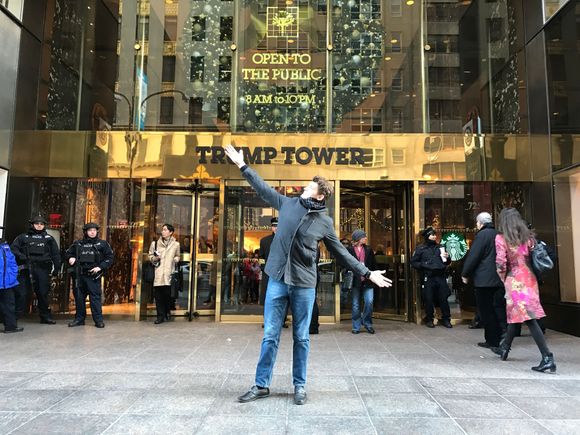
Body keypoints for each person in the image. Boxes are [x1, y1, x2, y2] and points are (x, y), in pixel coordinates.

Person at [225, 144, 391, 406]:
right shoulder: (288, 204)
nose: (303, 188)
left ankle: (299, 386)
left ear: (320, 196)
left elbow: (341, 253)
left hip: (303, 283)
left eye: (309, 187)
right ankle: (261, 384)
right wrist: (243, 166)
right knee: (270, 335)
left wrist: (367, 272)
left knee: (301, 337)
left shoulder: (324, 222)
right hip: (278, 279)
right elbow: (264, 189)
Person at [493, 208, 556, 372]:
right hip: (530, 278)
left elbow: (501, 263)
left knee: (528, 318)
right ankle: (505, 347)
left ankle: (547, 356)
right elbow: (527, 256)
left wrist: (504, 279)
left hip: (515, 280)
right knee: (518, 314)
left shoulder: (501, 238)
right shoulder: (527, 237)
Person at [461, 212, 506, 349]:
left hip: (484, 281)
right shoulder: (498, 234)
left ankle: (492, 340)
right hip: (499, 279)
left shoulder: (482, 235)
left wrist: (465, 273)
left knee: (486, 310)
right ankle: (500, 335)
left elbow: (474, 256)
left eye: (477, 223)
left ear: (480, 223)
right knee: (497, 308)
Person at [11, 215, 61, 324]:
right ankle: (13, 318)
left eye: (41, 224)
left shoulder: (49, 239)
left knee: (43, 293)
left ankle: (45, 316)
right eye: (37, 223)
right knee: (22, 293)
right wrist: (21, 256)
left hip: (43, 269)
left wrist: (57, 268)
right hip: (26, 269)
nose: (39, 226)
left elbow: (56, 254)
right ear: (32, 225)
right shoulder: (23, 237)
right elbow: (13, 249)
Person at [66, 222, 114, 328]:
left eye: (94, 230)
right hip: (80, 275)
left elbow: (109, 258)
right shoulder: (78, 243)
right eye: (90, 230)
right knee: (79, 298)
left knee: (95, 299)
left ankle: (98, 320)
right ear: (85, 232)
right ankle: (79, 319)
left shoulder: (102, 244)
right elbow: (68, 253)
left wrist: (100, 267)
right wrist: (70, 258)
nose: (92, 232)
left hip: (93, 275)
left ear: (97, 231)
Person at [411, 227, 452, 328]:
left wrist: (447, 258)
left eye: (434, 235)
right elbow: (414, 262)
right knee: (428, 299)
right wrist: (424, 265)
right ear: (426, 236)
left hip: (440, 276)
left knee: (443, 298)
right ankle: (429, 319)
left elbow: (447, 262)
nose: (434, 237)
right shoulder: (420, 249)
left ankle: (446, 319)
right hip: (428, 277)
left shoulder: (440, 247)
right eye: (431, 235)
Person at [149, 224, 180, 324]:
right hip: (158, 273)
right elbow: (150, 256)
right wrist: (155, 258)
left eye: (165, 230)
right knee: (158, 296)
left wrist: (175, 260)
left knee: (167, 295)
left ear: (170, 232)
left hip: (168, 273)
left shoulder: (176, 244)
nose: (163, 231)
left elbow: (178, 256)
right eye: (162, 230)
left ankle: (167, 312)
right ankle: (160, 316)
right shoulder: (155, 244)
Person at [347, 229, 377, 334]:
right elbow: (344, 263)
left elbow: (373, 264)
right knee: (355, 304)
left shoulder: (369, 249)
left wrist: (373, 275)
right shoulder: (349, 250)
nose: (366, 238)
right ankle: (356, 326)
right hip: (355, 280)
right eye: (364, 236)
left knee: (369, 301)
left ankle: (367, 323)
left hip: (368, 280)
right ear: (359, 238)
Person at [0, 241, 22, 333]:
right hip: (6, 281)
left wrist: (12, 277)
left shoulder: (5, 247)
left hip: (7, 282)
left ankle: (10, 326)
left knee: (9, 304)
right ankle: (10, 326)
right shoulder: (5, 248)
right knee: (9, 304)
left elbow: (12, 263)